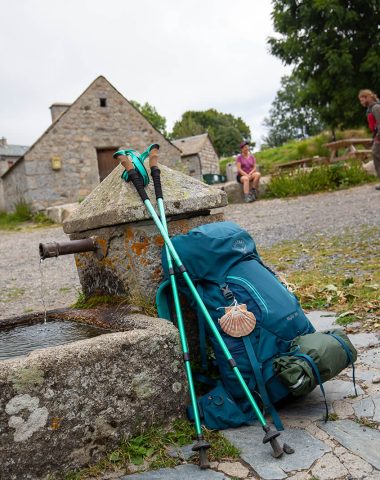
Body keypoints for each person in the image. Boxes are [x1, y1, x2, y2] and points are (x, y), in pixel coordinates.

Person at [358, 89, 380, 190]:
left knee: (376, 153)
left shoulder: (375, 107)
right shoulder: (370, 109)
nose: (361, 102)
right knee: (376, 154)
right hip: (376, 136)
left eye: (362, 100)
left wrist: (378, 136)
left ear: (367, 97)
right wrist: (373, 138)